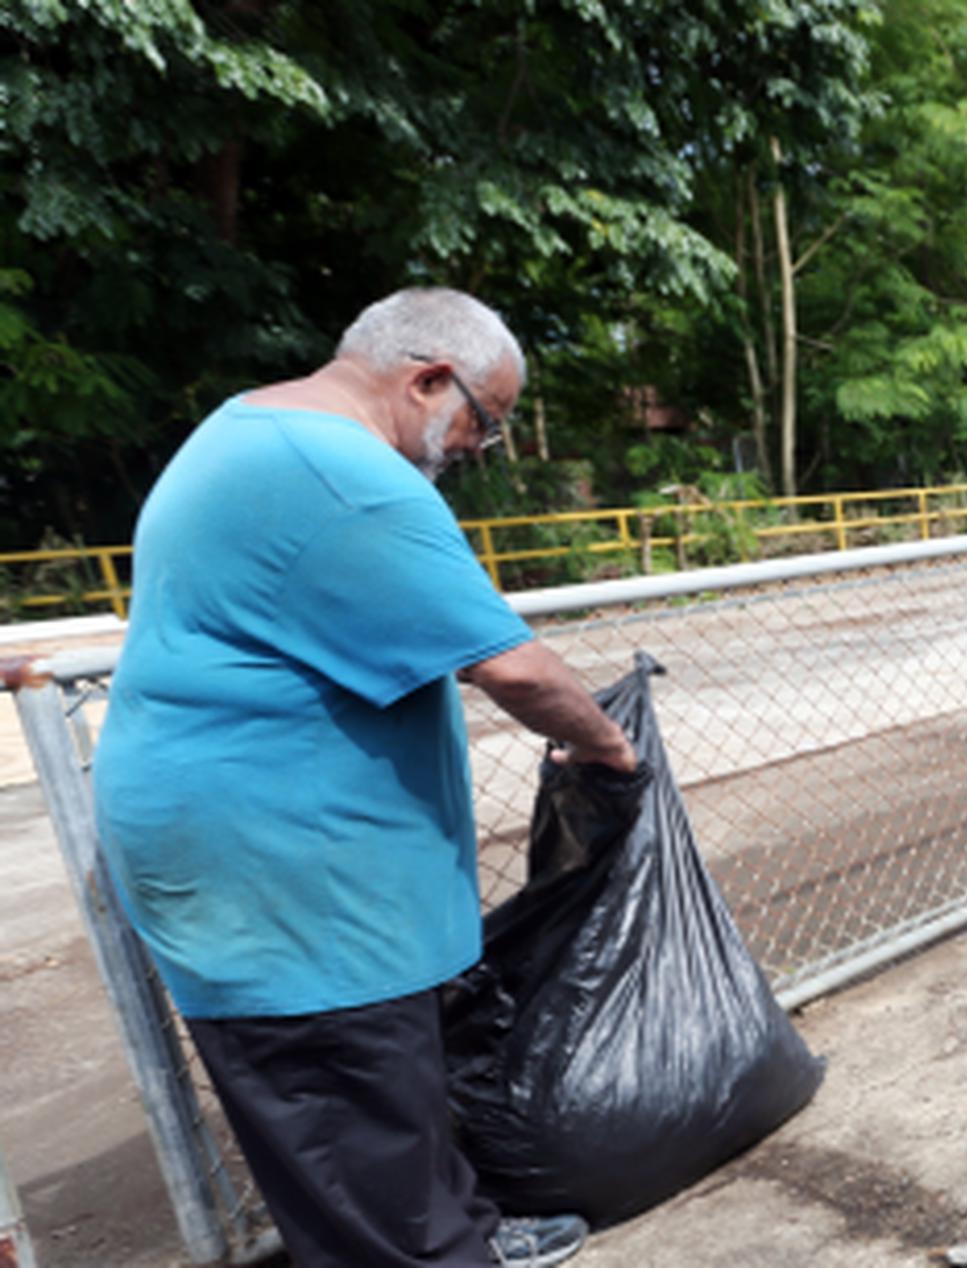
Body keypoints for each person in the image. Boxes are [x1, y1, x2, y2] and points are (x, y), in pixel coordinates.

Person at [93, 288, 636, 1268]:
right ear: (428, 376)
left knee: (392, 1088)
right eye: (485, 419)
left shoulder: (253, 426)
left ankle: (463, 1229)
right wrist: (611, 750)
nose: (478, 446)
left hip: (295, 863)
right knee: (353, 1127)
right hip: (272, 876)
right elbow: (512, 666)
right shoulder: (346, 478)